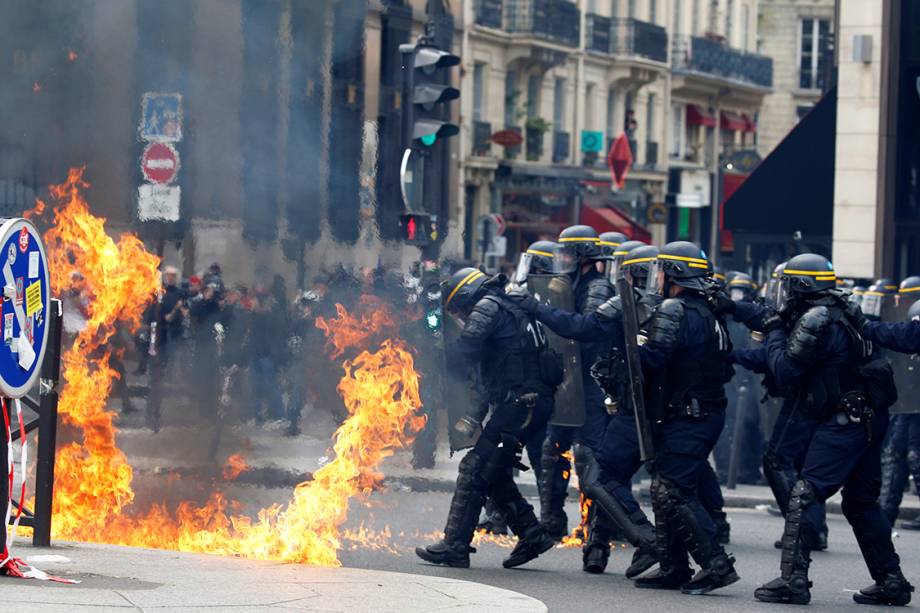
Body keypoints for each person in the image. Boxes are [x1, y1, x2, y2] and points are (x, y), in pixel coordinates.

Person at [517, 241, 739, 595]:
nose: (658, 277)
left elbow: (651, 360)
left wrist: (620, 362)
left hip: (680, 415)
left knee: (662, 489)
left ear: (676, 274)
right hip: (680, 413)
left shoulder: (674, 310)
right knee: (663, 489)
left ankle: (711, 562)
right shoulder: (704, 311)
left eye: (662, 270)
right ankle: (673, 565)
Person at [742, 254, 912, 606]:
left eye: (788, 284)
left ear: (801, 286)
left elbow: (785, 370)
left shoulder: (817, 319)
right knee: (862, 502)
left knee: (805, 494)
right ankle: (891, 581)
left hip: (844, 421)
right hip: (866, 417)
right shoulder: (842, 310)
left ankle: (793, 581)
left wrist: (773, 333)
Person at [416, 267, 557, 569]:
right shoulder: (509, 306)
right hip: (528, 404)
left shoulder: (488, 306)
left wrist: (433, 357)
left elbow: (466, 350)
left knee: (474, 467)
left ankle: (455, 546)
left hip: (522, 404)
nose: (460, 316)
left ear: (467, 296)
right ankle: (532, 534)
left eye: (456, 308)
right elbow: (489, 376)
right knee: (492, 472)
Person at [538, 225, 615, 549]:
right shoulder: (567, 283)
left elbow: (583, 329)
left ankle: (596, 538)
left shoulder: (597, 287)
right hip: (568, 382)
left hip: (592, 382)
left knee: (588, 458)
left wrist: (540, 309)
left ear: (584, 256)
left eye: (568, 253)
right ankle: (551, 523)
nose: (563, 258)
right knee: (552, 454)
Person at [715, 273, 763, 485]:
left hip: (742, 377)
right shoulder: (737, 318)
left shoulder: (741, 318)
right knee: (735, 424)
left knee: (744, 425)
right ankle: (735, 471)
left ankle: (741, 470)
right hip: (738, 378)